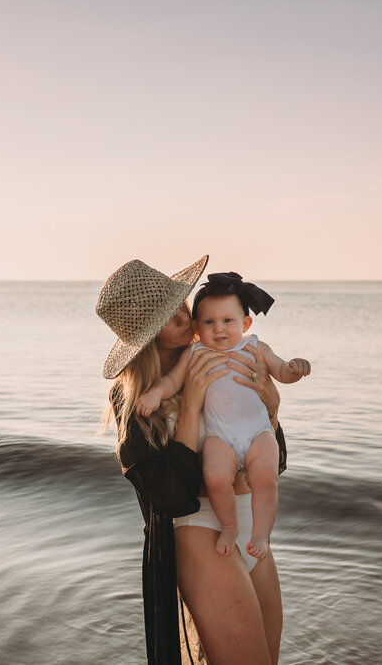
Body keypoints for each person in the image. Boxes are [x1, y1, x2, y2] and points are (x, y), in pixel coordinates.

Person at [97, 256, 287, 665]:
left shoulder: (221, 355)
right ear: (146, 337)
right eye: (169, 317)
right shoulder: (135, 401)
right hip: (197, 527)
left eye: (181, 305)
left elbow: (274, 460)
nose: (186, 318)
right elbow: (170, 497)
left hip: (249, 521)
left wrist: (271, 408)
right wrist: (191, 404)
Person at [136, 272, 311, 562]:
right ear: (198, 327)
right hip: (220, 437)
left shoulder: (255, 346)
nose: (218, 329)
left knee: (266, 477)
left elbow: (280, 371)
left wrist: (294, 369)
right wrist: (155, 393)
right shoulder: (194, 352)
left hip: (257, 431)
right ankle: (229, 527)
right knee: (215, 476)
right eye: (209, 322)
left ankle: (261, 535)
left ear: (246, 324)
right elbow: (172, 382)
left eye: (227, 321)